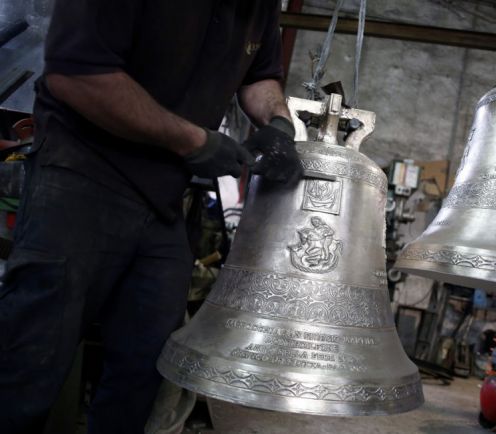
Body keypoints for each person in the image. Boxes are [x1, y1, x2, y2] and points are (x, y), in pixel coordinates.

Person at [0, 1, 302, 433]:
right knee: (30, 358)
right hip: (81, 180)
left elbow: (259, 75)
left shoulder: (256, 5)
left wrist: (279, 123)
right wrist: (194, 140)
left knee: (147, 368)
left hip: (164, 199)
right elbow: (76, 75)